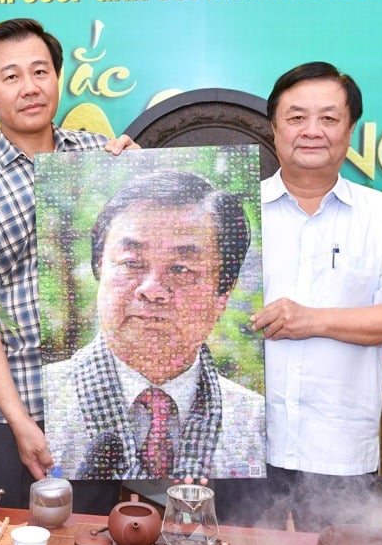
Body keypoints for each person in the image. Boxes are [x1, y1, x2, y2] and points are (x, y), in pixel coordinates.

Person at [215, 61, 382, 531]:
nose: (312, 131)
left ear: (350, 130)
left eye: (329, 118)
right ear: (274, 128)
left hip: (339, 444)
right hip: (245, 443)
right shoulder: (238, 212)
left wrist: (312, 320)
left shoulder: (380, 214)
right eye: (296, 117)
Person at [0, 18, 136, 512]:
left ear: (57, 76)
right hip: (24, 411)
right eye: (11, 77)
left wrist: (140, 169)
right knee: (25, 540)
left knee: (96, 538)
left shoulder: (101, 156)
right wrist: (20, 420)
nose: (30, 88)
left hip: (103, 402)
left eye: (40, 72)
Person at [43, 168, 265, 480]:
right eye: (131, 263)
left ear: (222, 295)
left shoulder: (255, 423)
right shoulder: (38, 404)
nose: (152, 289)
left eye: (181, 268)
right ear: (99, 270)